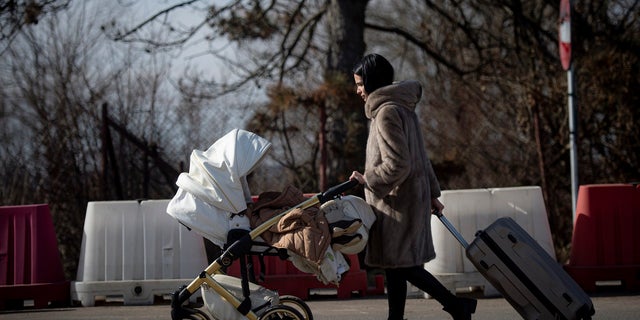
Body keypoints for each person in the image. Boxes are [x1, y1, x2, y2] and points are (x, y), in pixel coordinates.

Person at [349, 53, 477, 320]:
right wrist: (431, 193)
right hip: (410, 198)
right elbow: (420, 157)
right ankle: (399, 317)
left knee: (403, 266)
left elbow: (399, 165)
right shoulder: (403, 109)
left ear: (372, 83)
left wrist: (367, 179)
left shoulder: (386, 114)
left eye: (360, 84)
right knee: (396, 266)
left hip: (398, 203)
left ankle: (457, 306)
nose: (358, 90)